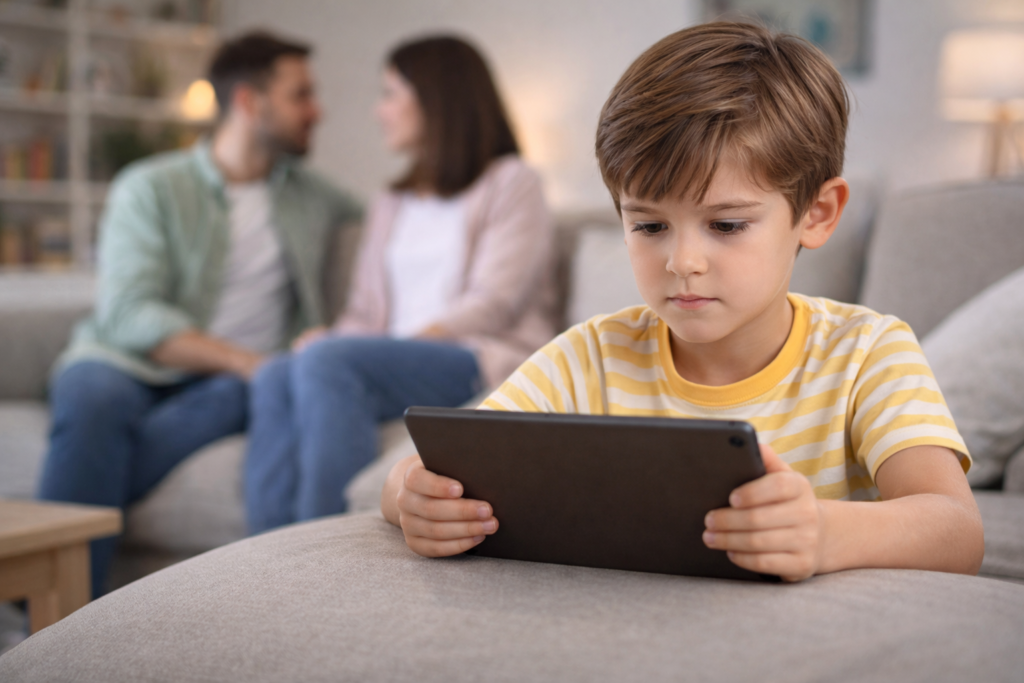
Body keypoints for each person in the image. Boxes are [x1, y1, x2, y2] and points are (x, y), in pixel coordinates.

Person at [380, 22, 985, 581]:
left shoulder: (867, 352)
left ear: (816, 214)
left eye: (725, 225)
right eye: (649, 227)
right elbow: (431, 466)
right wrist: (412, 494)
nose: (682, 261)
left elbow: (957, 529)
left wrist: (826, 531)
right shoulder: (592, 356)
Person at [38, 31, 362, 598]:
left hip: (228, 388)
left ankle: (42, 582)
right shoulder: (150, 187)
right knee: (92, 400)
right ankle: (50, 621)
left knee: (238, 400)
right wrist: (248, 362)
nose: (318, 110)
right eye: (301, 95)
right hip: (127, 362)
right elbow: (129, 312)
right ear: (248, 102)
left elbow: (401, 230)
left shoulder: (318, 198)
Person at [244, 36, 556, 534]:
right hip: (390, 359)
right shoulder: (391, 202)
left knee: (330, 361)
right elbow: (364, 314)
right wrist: (332, 340)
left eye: (389, 94)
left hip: (471, 357)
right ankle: (259, 557)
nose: (378, 111)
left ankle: (327, 550)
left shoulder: (512, 182)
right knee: (277, 372)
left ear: (435, 99)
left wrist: (381, 350)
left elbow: (493, 303)